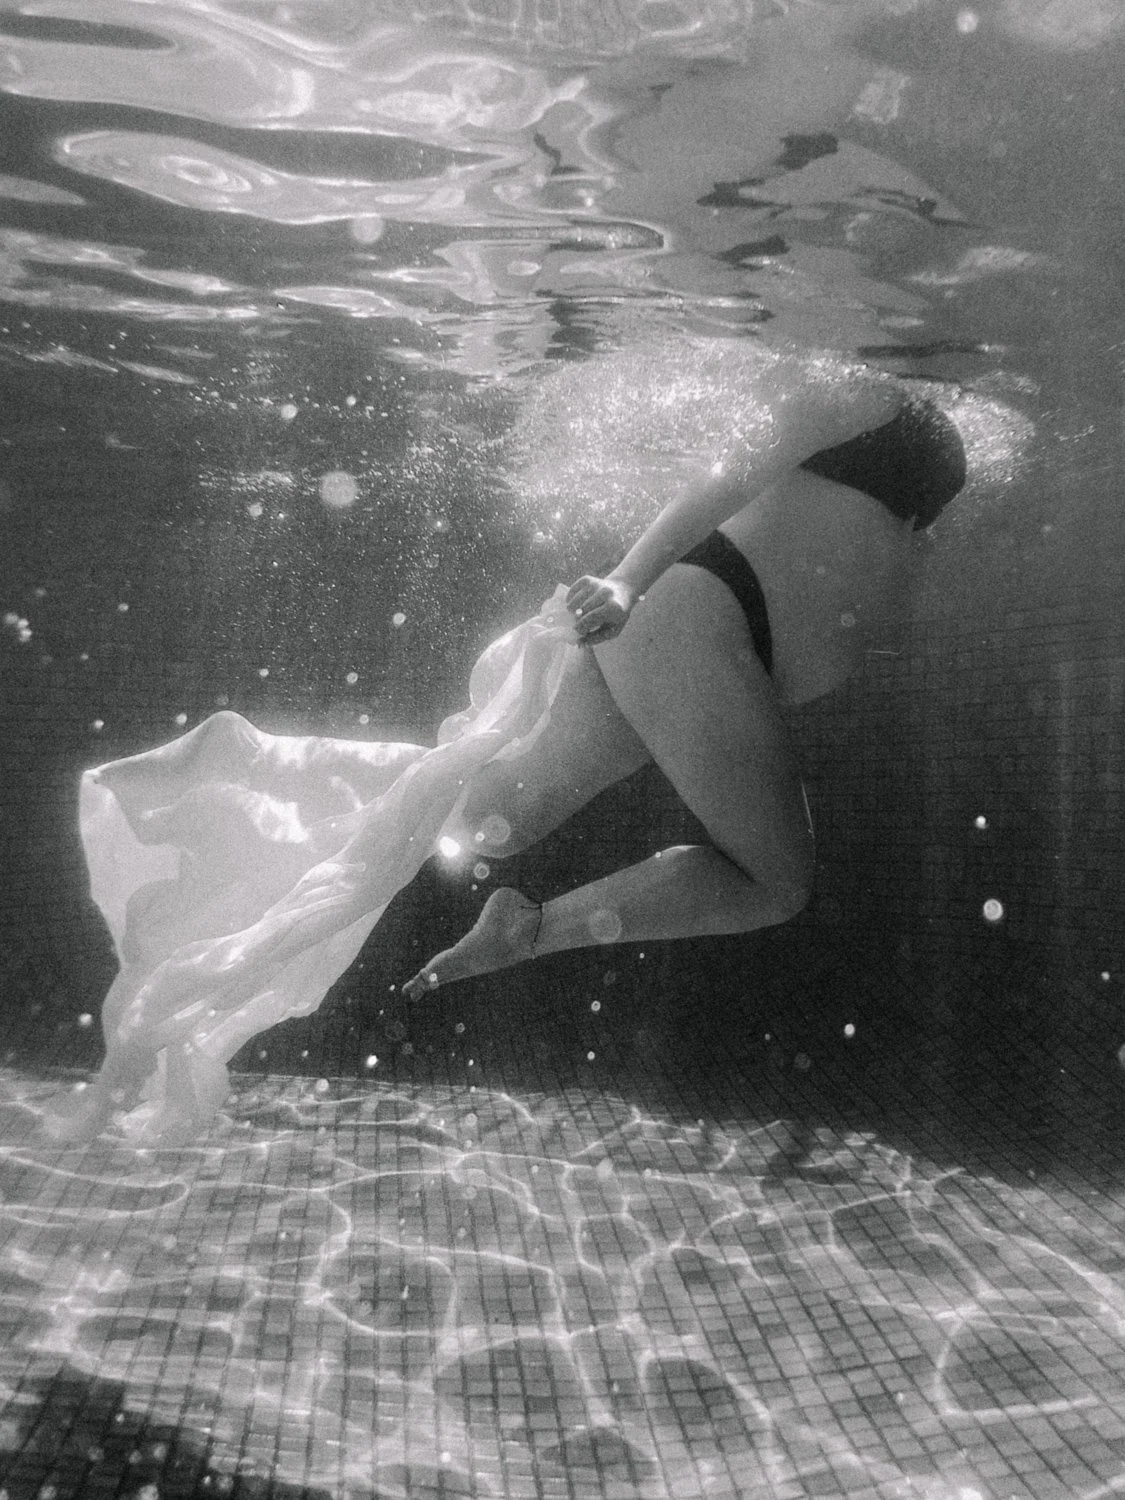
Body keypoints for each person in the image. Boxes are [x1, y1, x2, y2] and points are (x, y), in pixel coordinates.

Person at [402, 354, 967, 1000]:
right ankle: (529, 932)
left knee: (488, 823)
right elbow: (733, 468)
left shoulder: (895, 393)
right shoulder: (859, 382)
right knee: (775, 883)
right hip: (699, 617)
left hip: (689, 631)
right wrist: (626, 580)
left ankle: (367, 809)